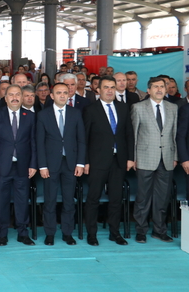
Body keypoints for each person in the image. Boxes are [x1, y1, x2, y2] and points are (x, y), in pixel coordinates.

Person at [83, 76, 134, 246]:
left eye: (113, 87)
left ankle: (114, 232)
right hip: (97, 161)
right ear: (98, 89)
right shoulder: (90, 109)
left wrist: (130, 158)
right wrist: (86, 161)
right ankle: (92, 233)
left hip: (118, 160)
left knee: (116, 199)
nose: (110, 90)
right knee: (93, 199)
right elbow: (85, 138)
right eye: (106, 87)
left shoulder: (124, 108)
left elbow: (129, 134)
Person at [36, 83, 86, 246]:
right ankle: (50, 233)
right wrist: (42, 166)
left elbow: (81, 140)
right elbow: (39, 143)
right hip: (50, 165)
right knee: (50, 200)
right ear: (52, 96)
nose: (63, 95)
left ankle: (67, 233)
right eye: (59, 93)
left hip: (71, 164)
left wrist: (80, 163)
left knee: (68, 201)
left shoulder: (75, 113)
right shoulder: (43, 115)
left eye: (65, 93)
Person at [0, 85, 36, 246]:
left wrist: (33, 164)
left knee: (22, 200)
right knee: (2, 200)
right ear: (5, 98)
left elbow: (34, 143)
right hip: (2, 166)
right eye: (11, 95)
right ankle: (2, 233)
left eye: (17, 95)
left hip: (23, 166)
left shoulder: (30, 116)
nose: (14, 98)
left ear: (22, 98)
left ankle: (23, 232)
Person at [131, 77, 177, 243]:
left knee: (162, 198)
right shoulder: (138, 108)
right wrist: (133, 158)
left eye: (162, 87)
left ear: (166, 90)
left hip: (167, 158)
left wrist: (175, 156)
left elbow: (174, 134)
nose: (159, 89)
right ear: (148, 90)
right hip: (144, 158)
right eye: (156, 87)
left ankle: (159, 230)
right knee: (143, 197)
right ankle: (141, 230)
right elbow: (134, 135)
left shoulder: (173, 108)